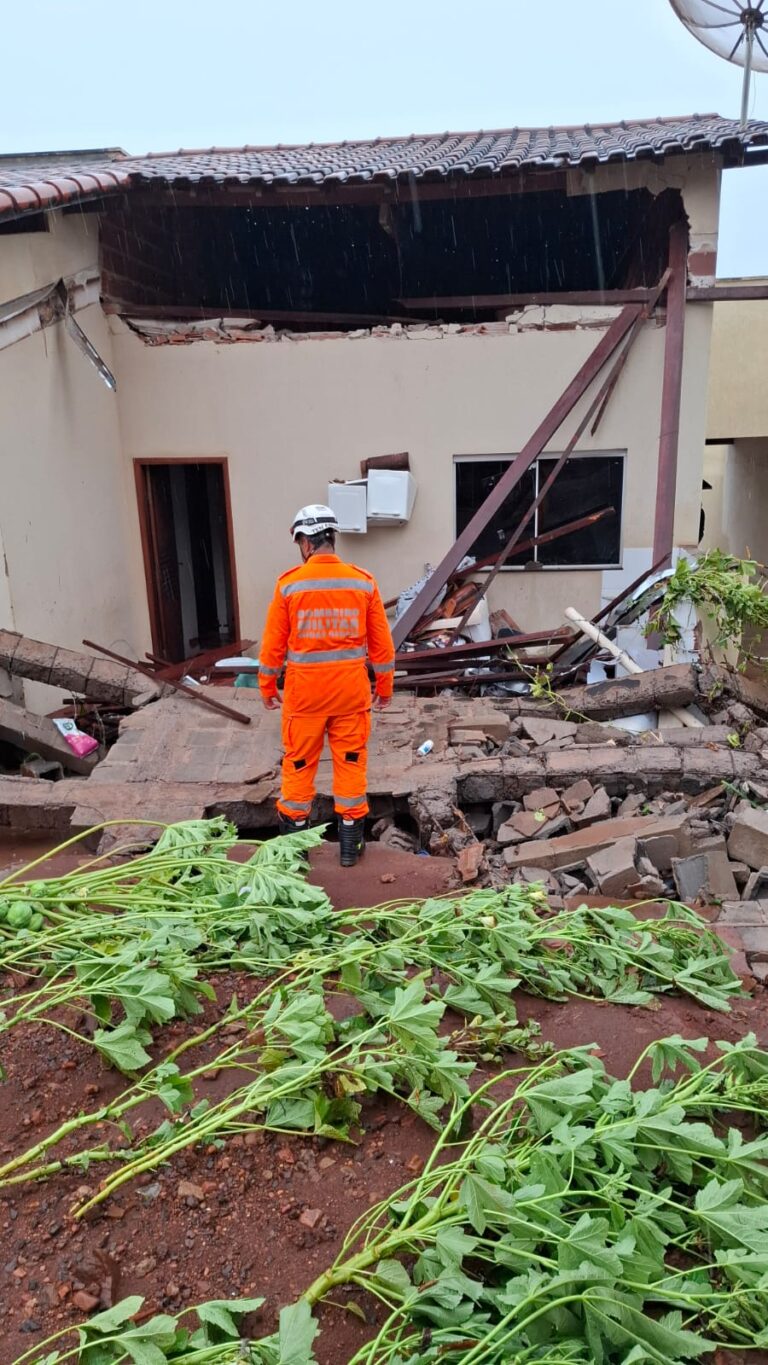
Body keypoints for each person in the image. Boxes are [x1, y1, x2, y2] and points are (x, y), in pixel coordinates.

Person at [258, 503, 395, 866]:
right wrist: (384, 688)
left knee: (300, 765)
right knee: (350, 763)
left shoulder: (289, 585)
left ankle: (296, 853)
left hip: (304, 698)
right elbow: (382, 645)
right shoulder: (362, 582)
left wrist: (268, 687)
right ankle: (350, 849)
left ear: (305, 542)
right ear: (331, 538)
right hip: (351, 695)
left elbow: (273, 645)